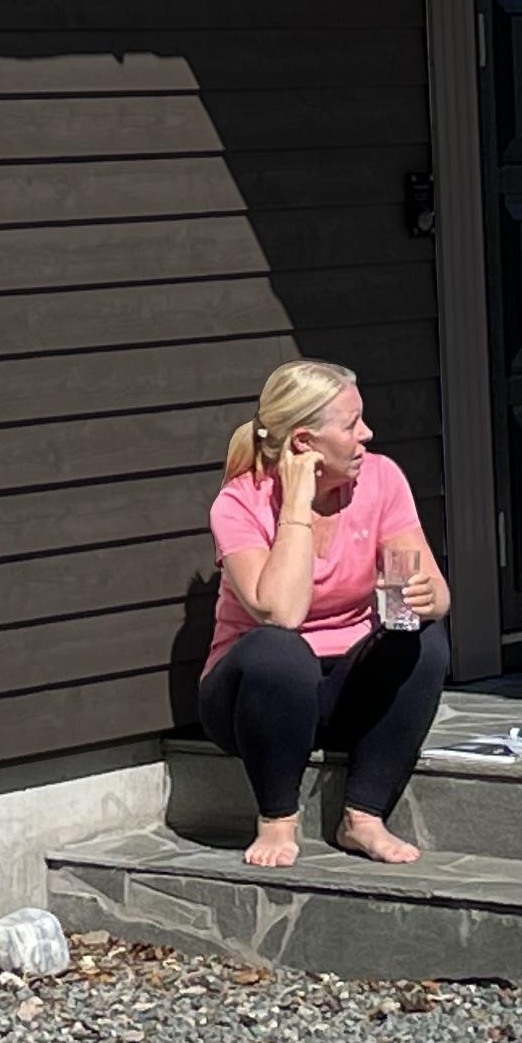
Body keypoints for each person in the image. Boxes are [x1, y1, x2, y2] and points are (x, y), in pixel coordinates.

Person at [199, 358, 453, 867]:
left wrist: (427, 596)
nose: (367, 434)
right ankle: (277, 820)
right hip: (255, 702)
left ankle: (364, 816)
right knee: (278, 650)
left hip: (343, 691)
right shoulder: (239, 503)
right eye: (352, 424)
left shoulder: (380, 478)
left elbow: (436, 594)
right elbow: (282, 613)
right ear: (303, 443)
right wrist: (297, 503)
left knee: (423, 638)